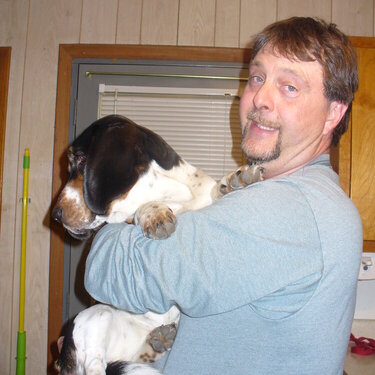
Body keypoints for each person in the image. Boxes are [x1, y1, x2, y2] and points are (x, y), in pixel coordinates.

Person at [84, 17, 362, 374]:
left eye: (289, 87)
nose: (260, 97)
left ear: (333, 113)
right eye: (257, 78)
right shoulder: (313, 200)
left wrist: (114, 221)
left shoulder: (288, 210)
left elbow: (109, 272)